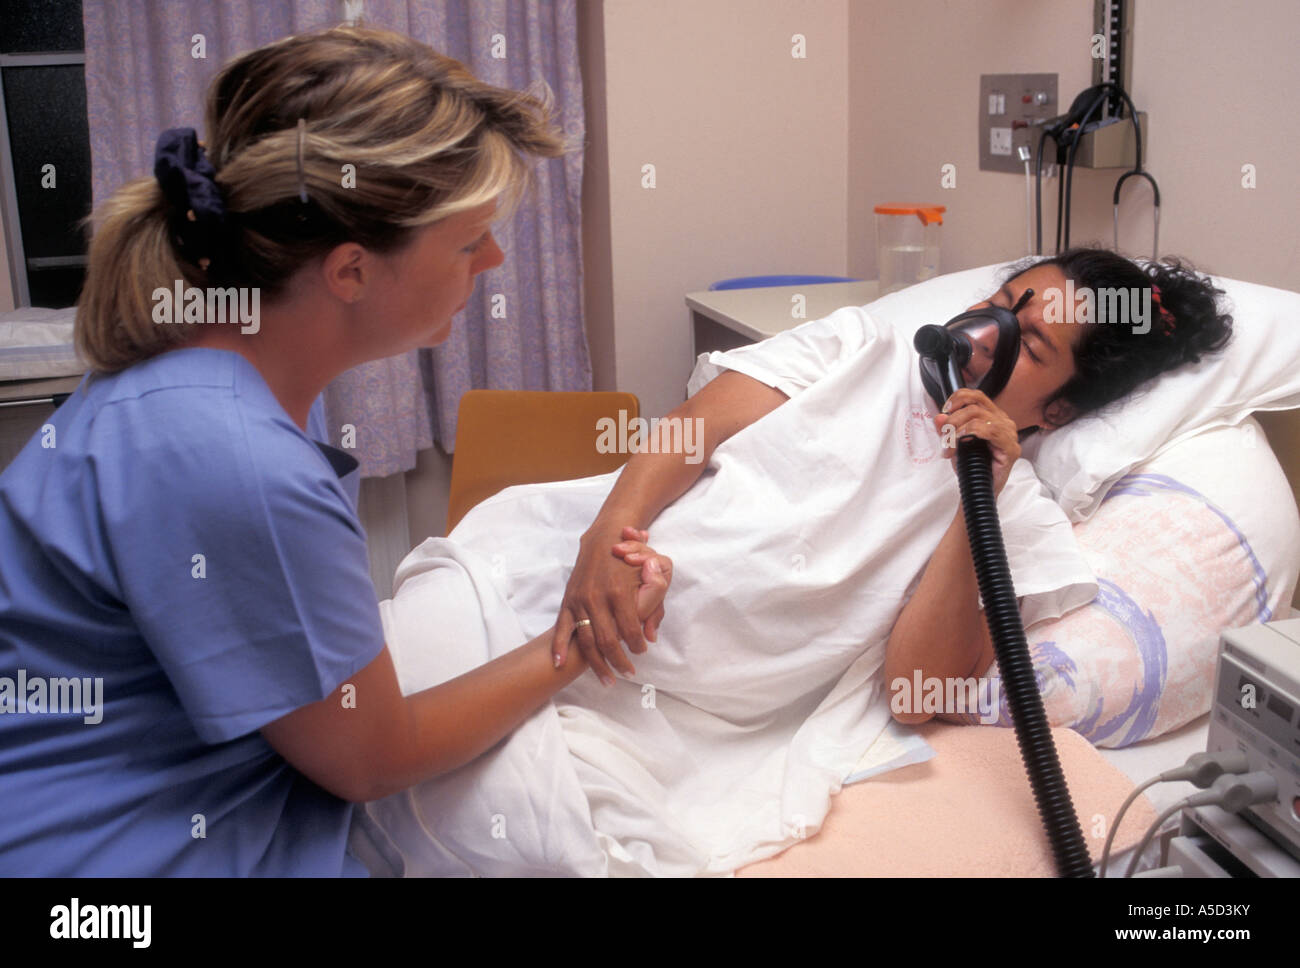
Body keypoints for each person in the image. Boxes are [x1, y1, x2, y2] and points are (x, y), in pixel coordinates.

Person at [0, 25, 672, 876]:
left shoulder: (207, 375)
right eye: (468, 243)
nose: (495, 259)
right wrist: (584, 640)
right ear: (351, 271)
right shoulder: (235, 457)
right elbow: (371, 761)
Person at [550, 248, 1234, 716]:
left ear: (1057, 411)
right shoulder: (857, 346)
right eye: (997, 303)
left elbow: (917, 694)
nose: (985, 333)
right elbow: (689, 431)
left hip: (678, 699)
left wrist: (981, 499)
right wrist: (609, 535)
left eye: (1028, 345)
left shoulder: (1015, 517)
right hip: (588, 576)